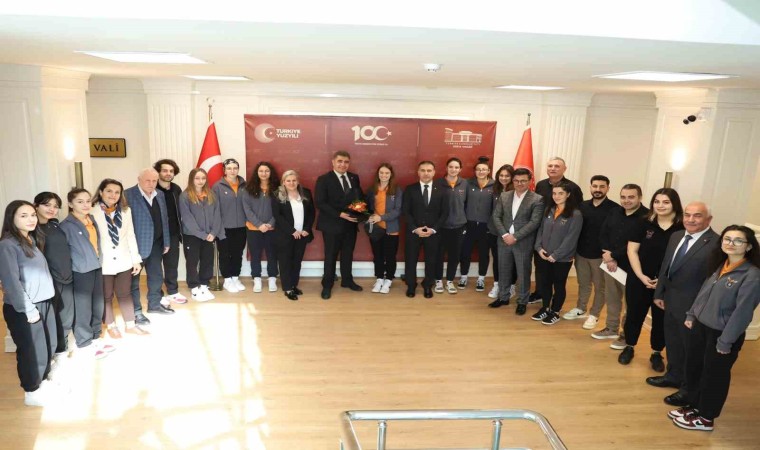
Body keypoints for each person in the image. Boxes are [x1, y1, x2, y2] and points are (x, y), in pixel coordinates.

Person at [669, 225, 760, 431]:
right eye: (727, 239)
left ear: (748, 246)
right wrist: (692, 314)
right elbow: (703, 292)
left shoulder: (752, 275)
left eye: (738, 240)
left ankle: (706, 417)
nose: (731, 243)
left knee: (714, 376)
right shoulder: (721, 264)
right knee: (695, 368)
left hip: (722, 334)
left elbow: (742, 313)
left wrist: (725, 341)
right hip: (701, 327)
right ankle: (695, 407)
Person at [647, 202, 722, 408]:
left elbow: (712, 281)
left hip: (694, 307)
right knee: (673, 342)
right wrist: (659, 292)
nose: (690, 219)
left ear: (708, 219)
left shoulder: (716, 244)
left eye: (697, 216)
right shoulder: (677, 236)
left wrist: (697, 309)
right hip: (670, 301)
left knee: (691, 350)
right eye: (687, 215)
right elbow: (666, 266)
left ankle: (688, 390)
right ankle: (673, 376)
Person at [0, 200, 58, 406]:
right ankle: (32, 392)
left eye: (32, 214)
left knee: (48, 345)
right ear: (12, 219)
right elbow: (11, 282)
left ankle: (43, 382)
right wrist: (28, 309)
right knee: (32, 351)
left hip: (44, 301)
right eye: (23, 216)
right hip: (25, 307)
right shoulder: (7, 245)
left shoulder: (31, 239)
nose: (31, 219)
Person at [618, 188, 683, 369]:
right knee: (634, 315)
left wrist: (662, 280)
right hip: (639, 279)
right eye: (657, 201)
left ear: (675, 204)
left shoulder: (682, 228)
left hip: (667, 283)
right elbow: (632, 251)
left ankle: (656, 353)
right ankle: (629, 346)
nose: (660, 205)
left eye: (666, 202)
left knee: (661, 319)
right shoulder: (643, 223)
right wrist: (640, 276)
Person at [59, 189, 113, 359]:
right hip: (80, 271)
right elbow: (65, 253)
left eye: (88, 201)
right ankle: (84, 342)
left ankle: (95, 336)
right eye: (80, 201)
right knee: (83, 308)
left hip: (96, 267)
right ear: (70, 204)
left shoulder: (91, 219)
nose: (85, 205)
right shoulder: (66, 226)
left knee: (98, 304)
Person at [91, 179, 149, 338]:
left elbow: (130, 235)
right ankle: (111, 325)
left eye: (117, 192)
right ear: (101, 192)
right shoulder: (91, 211)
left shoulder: (126, 211)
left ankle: (131, 325)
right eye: (109, 191)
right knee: (106, 296)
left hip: (124, 260)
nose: (113, 195)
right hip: (104, 261)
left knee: (125, 293)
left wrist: (136, 259)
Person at [593, 184, 649, 338]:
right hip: (611, 265)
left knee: (631, 303)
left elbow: (638, 243)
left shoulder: (647, 217)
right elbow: (603, 234)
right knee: (612, 298)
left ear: (640, 197)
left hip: (633, 267)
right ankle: (611, 328)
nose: (626, 200)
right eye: (623, 197)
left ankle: (626, 334)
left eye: (631, 197)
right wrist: (608, 256)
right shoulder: (614, 211)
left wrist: (613, 256)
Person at [563, 176, 621, 322]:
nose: (598, 189)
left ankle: (594, 314)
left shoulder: (615, 209)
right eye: (595, 186)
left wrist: (611, 255)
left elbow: (615, 234)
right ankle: (580, 308)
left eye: (602, 186)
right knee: (583, 283)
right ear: (590, 187)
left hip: (600, 256)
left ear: (608, 188)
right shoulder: (582, 206)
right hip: (581, 253)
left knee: (600, 287)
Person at [490, 168, 544, 315]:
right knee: (503, 270)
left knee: (523, 273)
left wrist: (515, 237)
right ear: (512, 181)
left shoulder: (537, 199)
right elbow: (496, 216)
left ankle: (522, 301)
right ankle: (503, 297)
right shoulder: (505, 195)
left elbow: (534, 222)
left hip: (523, 242)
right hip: (504, 240)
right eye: (516, 181)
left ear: (530, 181)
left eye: (523, 181)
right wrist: (505, 234)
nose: (519, 183)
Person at [124, 168, 173, 325]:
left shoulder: (160, 194)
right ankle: (136, 313)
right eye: (148, 180)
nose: (151, 184)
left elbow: (164, 219)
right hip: (136, 246)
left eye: (154, 181)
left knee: (156, 277)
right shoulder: (127, 195)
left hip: (156, 244)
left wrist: (166, 241)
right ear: (139, 179)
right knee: (133, 282)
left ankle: (154, 305)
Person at [532, 156, 584, 304]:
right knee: (541, 272)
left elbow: (574, 224)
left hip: (561, 239)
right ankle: (540, 295)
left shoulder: (573, 188)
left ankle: (555, 307)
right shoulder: (541, 185)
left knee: (558, 281)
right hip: (543, 235)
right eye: (550, 166)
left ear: (564, 169)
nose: (553, 168)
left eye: (557, 166)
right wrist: (538, 246)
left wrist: (559, 252)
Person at [315, 150, 364, 300]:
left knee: (348, 254)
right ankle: (327, 285)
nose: (343, 164)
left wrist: (361, 214)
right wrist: (339, 214)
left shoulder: (354, 177)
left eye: (346, 162)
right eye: (340, 161)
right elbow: (320, 202)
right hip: (332, 225)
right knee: (330, 256)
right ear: (333, 162)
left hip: (350, 225)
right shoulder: (323, 179)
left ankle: (347, 281)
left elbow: (358, 199)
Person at [532, 183, 583, 325]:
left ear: (568, 195)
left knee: (559, 285)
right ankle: (545, 308)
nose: (557, 196)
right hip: (544, 255)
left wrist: (556, 255)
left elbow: (571, 238)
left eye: (560, 193)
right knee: (545, 283)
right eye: (554, 193)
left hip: (562, 259)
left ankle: (555, 311)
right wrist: (538, 248)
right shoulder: (549, 210)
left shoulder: (575, 214)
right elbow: (541, 230)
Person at [33, 192, 74, 358]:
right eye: (47, 205)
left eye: (56, 206)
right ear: (36, 206)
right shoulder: (32, 230)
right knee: (52, 318)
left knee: (67, 316)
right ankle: (53, 353)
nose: (52, 209)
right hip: (50, 281)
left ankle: (62, 350)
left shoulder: (55, 225)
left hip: (67, 277)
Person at [402, 161, 449, 298]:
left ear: (434, 172)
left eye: (429, 170)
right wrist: (414, 228)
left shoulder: (442, 190)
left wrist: (434, 229)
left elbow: (445, 213)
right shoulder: (410, 189)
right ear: (418, 172)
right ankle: (411, 285)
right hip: (413, 232)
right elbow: (405, 211)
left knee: (431, 261)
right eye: (423, 170)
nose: (426, 173)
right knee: (411, 260)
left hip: (433, 233)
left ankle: (428, 285)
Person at [179, 168, 225, 302]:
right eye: (197, 178)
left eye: (203, 178)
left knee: (207, 260)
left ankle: (204, 284)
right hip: (192, 235)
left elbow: (217, 214)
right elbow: (187, 218)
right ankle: (194, 287)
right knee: (192, 261)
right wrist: (202, 234)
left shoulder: (211, 194)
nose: (200, 181)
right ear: (192, 179)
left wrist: (213, 232)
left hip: (210, 235)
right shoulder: (185, 196)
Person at [271, 170, 316, 301]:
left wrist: (307, 229)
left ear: (298, 181)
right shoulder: (277, 195)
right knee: (285, 262)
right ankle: (287, 288)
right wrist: (292, 231)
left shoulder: (306, 193)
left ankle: (293, 285)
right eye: (288, 181)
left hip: (302, 235)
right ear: (283, 182)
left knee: (297, 261)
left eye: (294, 180)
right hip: (285, 235)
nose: (291, 183)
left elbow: (311, 212)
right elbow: (277, 216)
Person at [459, 157, 495, 294]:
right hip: (469, 224)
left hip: (486, 226)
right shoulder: (467, 184)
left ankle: (481, 278)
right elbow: (462, 203)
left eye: (484, 169)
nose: (481, 172)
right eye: (478, 169)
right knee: (465, 252)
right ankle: (463, 277)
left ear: (488, 171)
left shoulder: (494, 185)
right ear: (475, 171)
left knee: (483, 254)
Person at [366, 163, 403, 294]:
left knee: (390, 256)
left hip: (391, 229)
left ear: (391, 174)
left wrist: (381, 217)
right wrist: (368, 216)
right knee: (378, 255)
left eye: (387, 173)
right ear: (378, 174)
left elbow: (398, 210)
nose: (384, 175)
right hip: (376, 229)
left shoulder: (397, 190)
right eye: (381, 172)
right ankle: (380, 278)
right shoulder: (372, 189)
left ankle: (389, 280)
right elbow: (367, 208)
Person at [154, 158, 187, 305]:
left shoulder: (176, 189)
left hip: (173, 233)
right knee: (155, 266)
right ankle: (157, 294)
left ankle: (173, 291)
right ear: (158, 172)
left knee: (172, 265)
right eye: (165, 170)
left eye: (171, 171)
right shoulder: (152, 189)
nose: (168, 173)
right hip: (156, 235)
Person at [433, 157, 468, 295]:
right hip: (441, 227)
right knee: (439, 255)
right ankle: (438, 280)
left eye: (456, 167)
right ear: (446, 168)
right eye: (451, 167)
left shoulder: (465, 183)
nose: (453, 169)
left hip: (459, 226)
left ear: (460, 169)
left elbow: (467, 204)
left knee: (454, 256)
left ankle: (449, 281)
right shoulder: (437, 183)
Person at [243, 161, 279, 293]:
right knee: (255, 255)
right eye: (261, 171)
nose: (264, 173)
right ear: (257, 173)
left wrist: (270, 223)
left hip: (272, 228)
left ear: (271, 173)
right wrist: (259, 224)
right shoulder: (248, 189)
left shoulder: (278, 189)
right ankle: (256, 278)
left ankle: (272, 278)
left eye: (267, 171)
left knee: (272, 254)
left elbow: (280, 209)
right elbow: (247, 209)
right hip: (253, 229)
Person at [213, 158, 248, 293]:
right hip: (224, 228)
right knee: (225, 254)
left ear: (238, 169)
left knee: (237, 253)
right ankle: (227, 280)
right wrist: (218, 228)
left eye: (235, 168)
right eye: (229, 168)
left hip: (241, 227)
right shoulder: (217, 186)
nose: (232, 171)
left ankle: (235, 277)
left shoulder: (245, 185)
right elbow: (215, 209)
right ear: (224, 170)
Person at [485, 164, 516, 299]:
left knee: (512, 260)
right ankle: (497, 284)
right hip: (494, 231)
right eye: (501, 175)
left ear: (512, 177)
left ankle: (511, 286)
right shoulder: (494, 189)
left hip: (510, 232)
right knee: (497, 259)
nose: (504, 178)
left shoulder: (516, 191)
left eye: (507, 176)